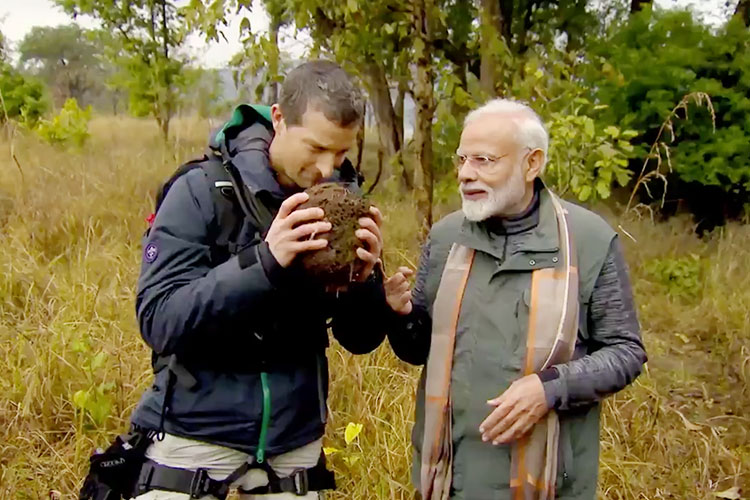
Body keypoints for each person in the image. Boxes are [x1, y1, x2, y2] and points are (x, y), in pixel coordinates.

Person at [129, 60, 387, 499]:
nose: (328, 168)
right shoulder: (201, 190)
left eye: (341, 153)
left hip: (294, 441)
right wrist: (266, 261)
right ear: (280, 119)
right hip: (195, 434)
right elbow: (158, 320)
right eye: (316, 148)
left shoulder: (344, 200)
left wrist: (363, 282)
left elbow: (360, 339)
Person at [384, 98, 648, 500]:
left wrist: (550, 388)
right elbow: (418, 349)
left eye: (484, 160)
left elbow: (626, 351)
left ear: (532, 164)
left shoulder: (589, 241)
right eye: (461, 160)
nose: (465, 175)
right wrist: (402, 316)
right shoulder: (446, 239)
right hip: (448, 479)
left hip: (549, 485)